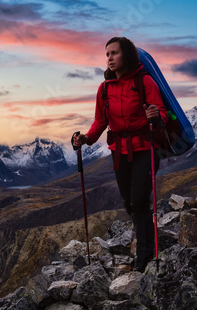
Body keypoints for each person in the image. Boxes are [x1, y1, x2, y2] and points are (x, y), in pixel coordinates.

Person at [73, 36, 168, 272]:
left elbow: (162, 114)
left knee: (140, 201)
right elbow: (100, 120)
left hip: (145, 148)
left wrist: (156, 116)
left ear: (126, 54)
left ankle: (144, 257)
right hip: (119, 151)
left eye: (114, 53)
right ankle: (149, 240)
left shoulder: (145, 82)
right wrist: (86, 138)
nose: (109, 58)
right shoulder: (104, 89)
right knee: (129, 203)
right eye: (107, 54)